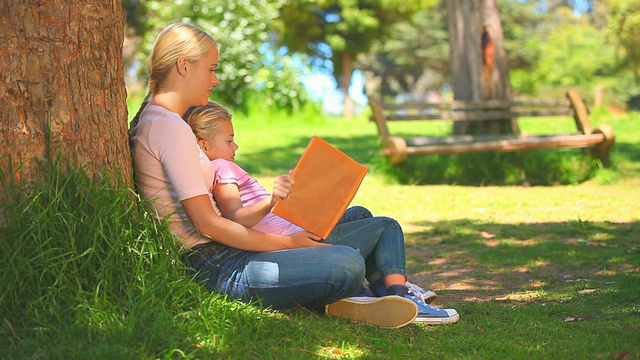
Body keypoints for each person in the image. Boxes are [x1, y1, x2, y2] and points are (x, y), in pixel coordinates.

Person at [129, 23, 458, 328]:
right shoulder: (167, 127)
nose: (215, 79)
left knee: (358, 217)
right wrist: (287, 243)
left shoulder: (166, 122)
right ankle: (366, 295)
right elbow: (209, 224)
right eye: (211, 69)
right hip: (215, 265)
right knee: (346, 262)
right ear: (184, 66)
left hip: (228, 251)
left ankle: (369, 295)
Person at [183, 100, 459, 325]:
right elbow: (237, 216)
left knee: (360, 213)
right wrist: (271, 200)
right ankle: (402, 295)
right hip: (296, 244)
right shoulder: (222, 168)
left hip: (294, 230)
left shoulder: (218, 169)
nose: (236, 147)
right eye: (230, 140)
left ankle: (383, 290)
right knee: (386, 226)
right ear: (205, 145)